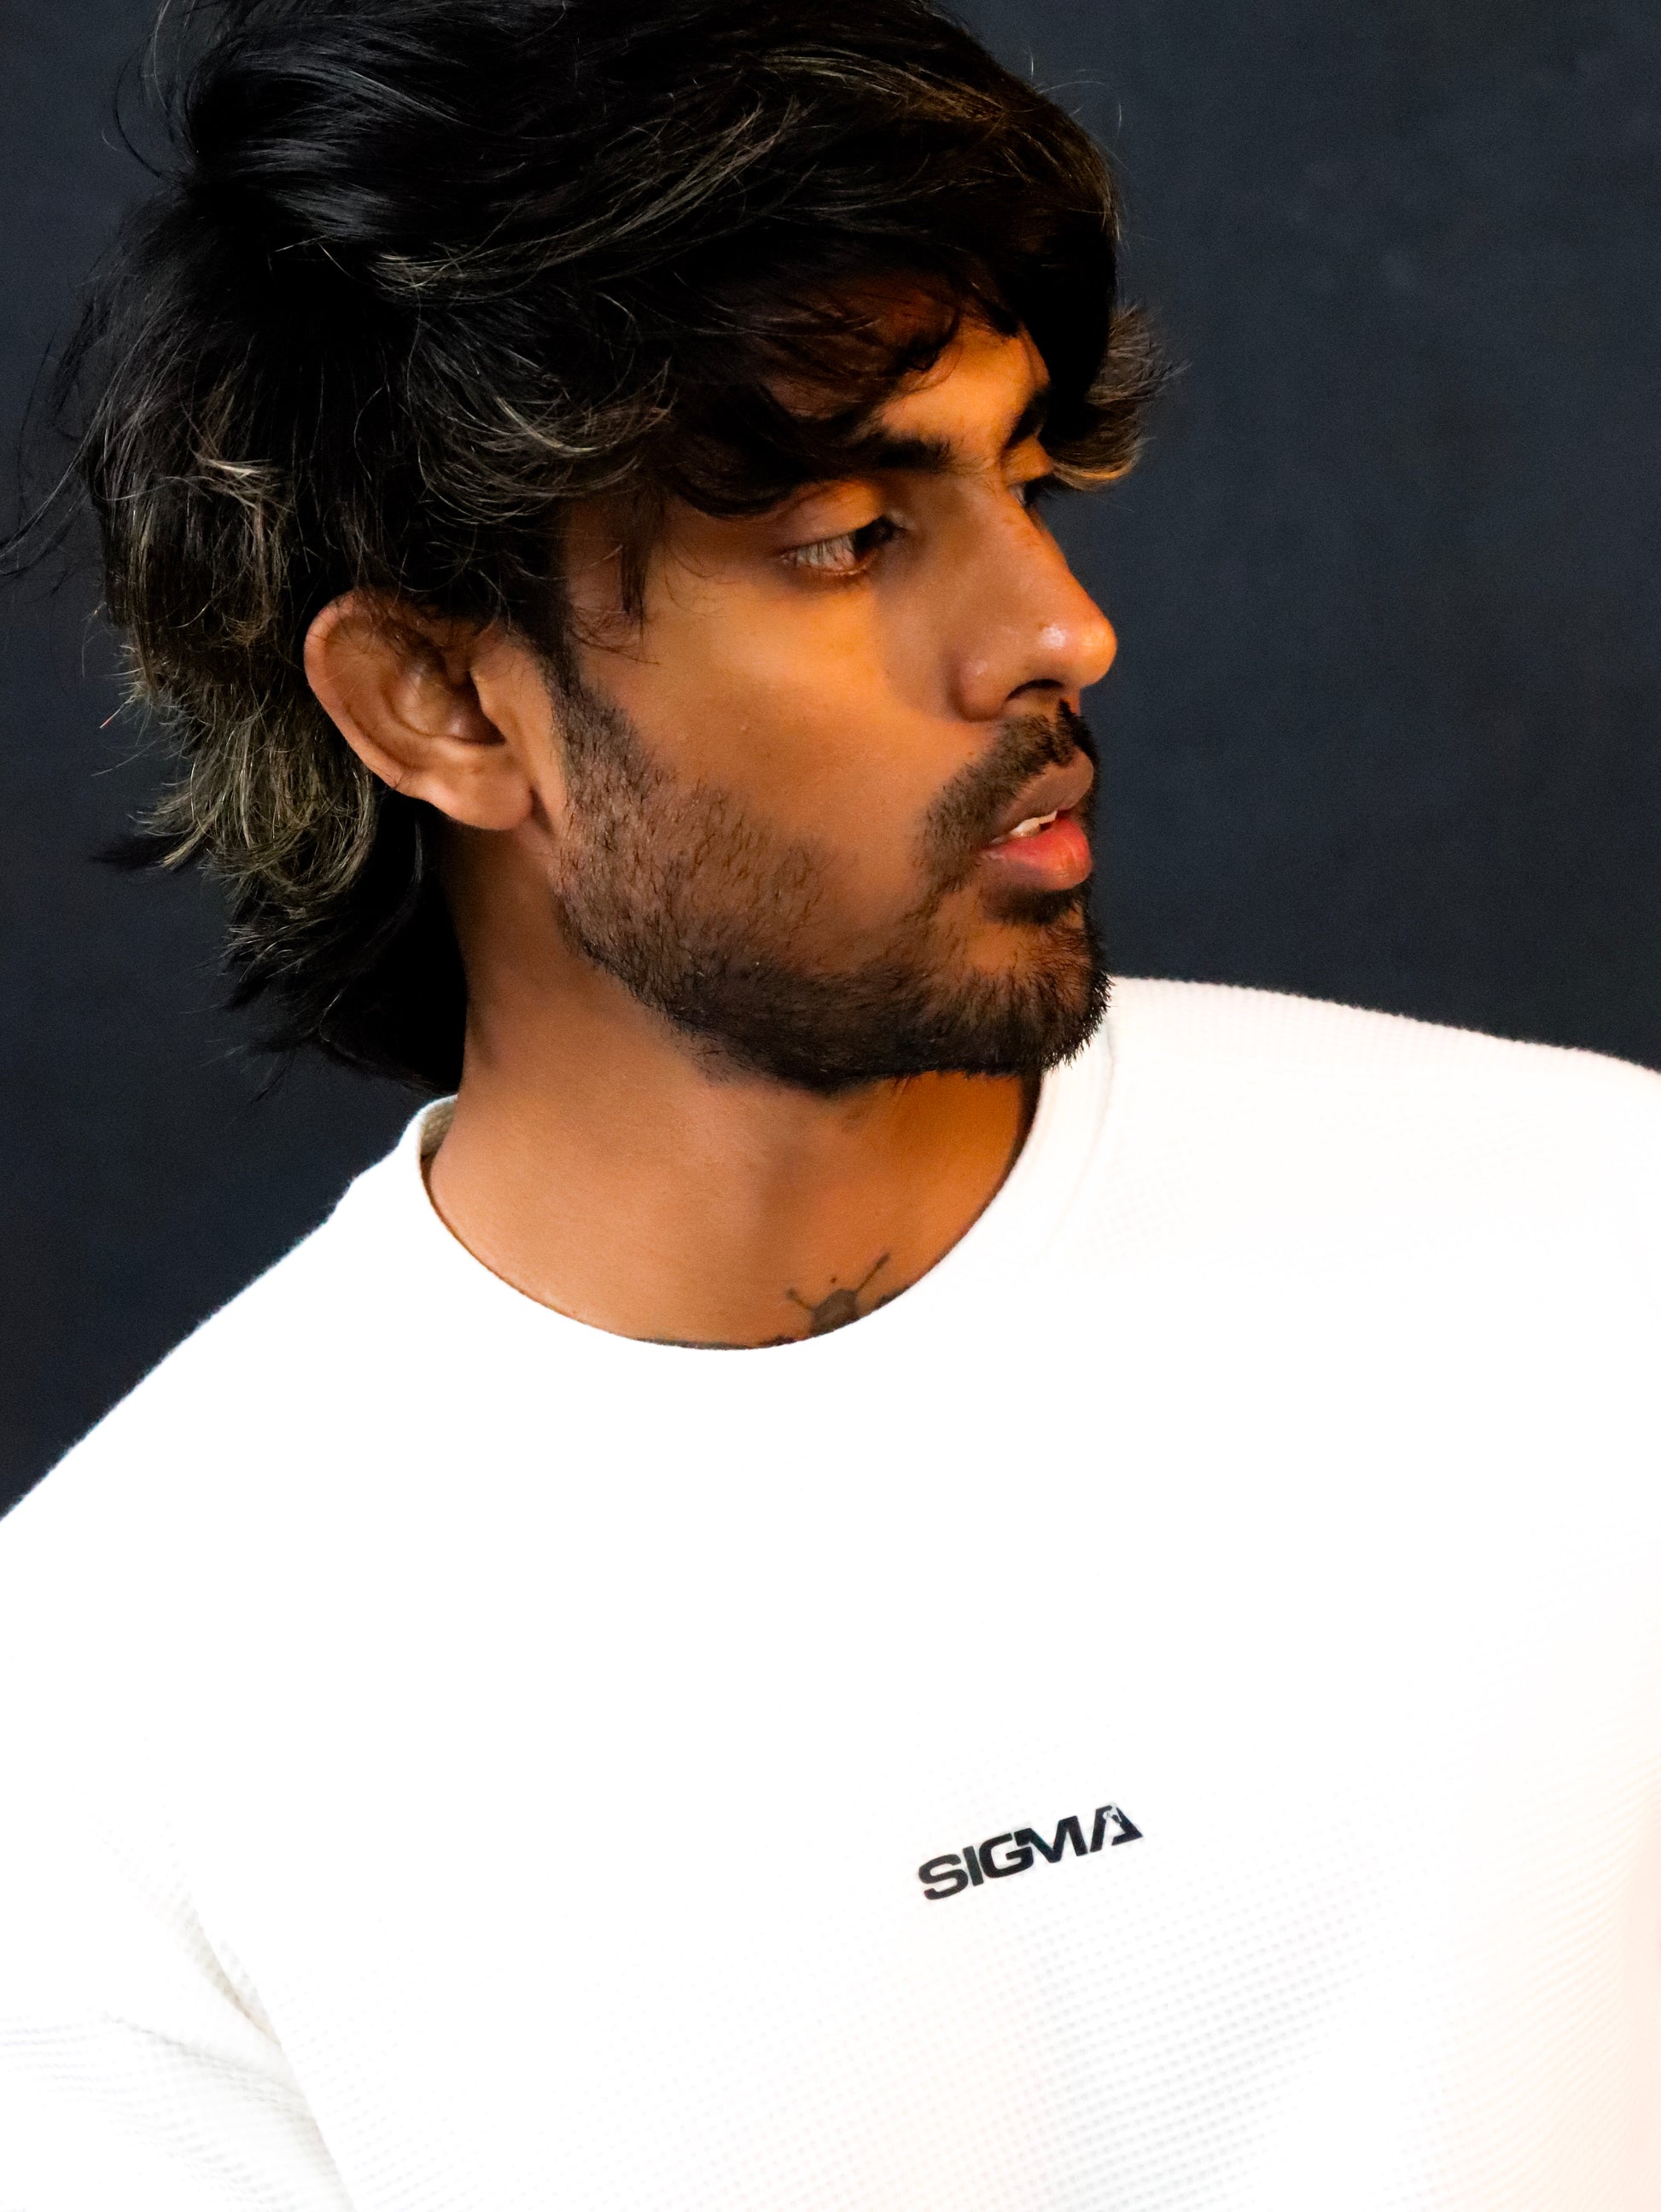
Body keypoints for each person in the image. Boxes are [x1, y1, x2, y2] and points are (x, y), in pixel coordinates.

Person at [2, 0, 1658, 2204]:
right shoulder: (115, 1714)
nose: (1055, 631)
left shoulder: (1600, 1242)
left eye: (1023, 482)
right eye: (853, 533)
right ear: (438, 704)